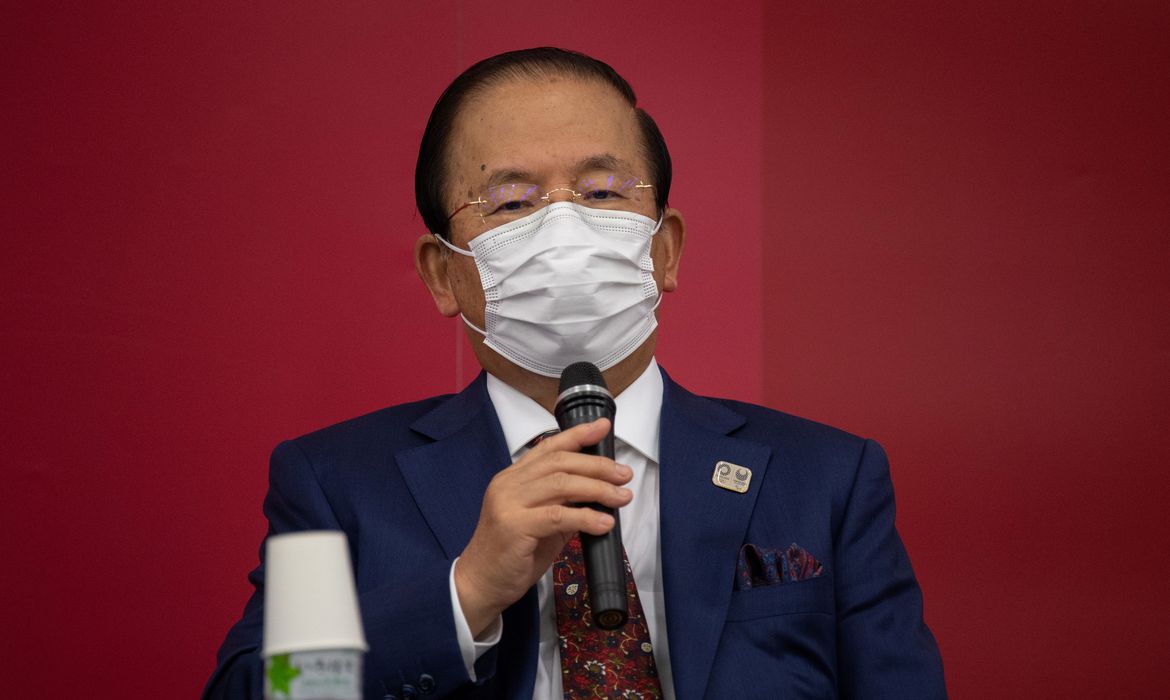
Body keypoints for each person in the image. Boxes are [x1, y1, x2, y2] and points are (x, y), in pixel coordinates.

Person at [204, 47, 946, 700]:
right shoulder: (337, 484)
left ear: (664, 250)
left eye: (602, 192)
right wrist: (466, 593)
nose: (564, 228)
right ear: (443, 274)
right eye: (511, 201)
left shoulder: (827, 479)